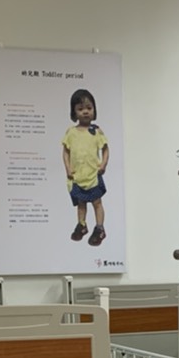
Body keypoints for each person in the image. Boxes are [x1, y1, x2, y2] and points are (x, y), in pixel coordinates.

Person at [62, 89, 109, 247]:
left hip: (93, 175)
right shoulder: (71, 132)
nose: (85, 112)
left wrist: (103, 164)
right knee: (81, 203)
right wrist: (68, 169)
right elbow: (66, 152)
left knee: (97, 202)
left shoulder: (96, 131)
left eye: (89, 108)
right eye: (80, 109)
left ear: (94, 109)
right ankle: (81, 225)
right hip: (77, 176)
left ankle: (100, 228)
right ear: (74, 112)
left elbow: (105, 149)